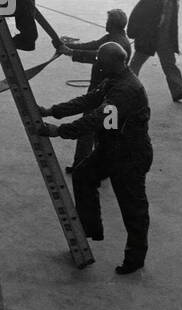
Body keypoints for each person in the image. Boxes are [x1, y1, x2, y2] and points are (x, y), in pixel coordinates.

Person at [37, 42, 152, 274]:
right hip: (112, 148)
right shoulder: (114, 79)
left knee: (133, 208)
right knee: (82, 175)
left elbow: (96, 119)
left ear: (116, 62)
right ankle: (90, 229)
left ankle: (135, 258)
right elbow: (89, 100)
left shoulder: (125, 90)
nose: (98, 64)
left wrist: (59, 131)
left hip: (130, 155)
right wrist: (52, 110)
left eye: (102, 61)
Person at [59, 9, 132, 171]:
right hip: (109, 93)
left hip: (104, 93)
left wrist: (71, 52)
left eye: (108, 22)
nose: (105, 24)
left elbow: (96, 54)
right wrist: (67, 47)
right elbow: (93, 46)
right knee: (106, 130)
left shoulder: (115, 43)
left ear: (112, 24)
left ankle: (81, 164)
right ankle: (103, 165)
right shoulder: (114, 39)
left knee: (88, 128)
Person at [127, 0, 182, 102]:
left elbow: (172, 22)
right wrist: (133, 32)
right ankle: (126, 88)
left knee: (169, 65)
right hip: (148, 36)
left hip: (165, 38)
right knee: (136, 64)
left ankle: (177, 91)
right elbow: (136, 15)